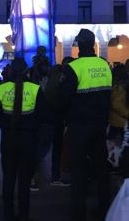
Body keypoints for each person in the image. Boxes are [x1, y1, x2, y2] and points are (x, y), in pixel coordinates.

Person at [61, 28, 112, 221]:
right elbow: (109, 93)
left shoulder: (73, 68)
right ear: (92, 44)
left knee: (79, 170)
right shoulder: (104, 65)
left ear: (78, 45)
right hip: (100, 125)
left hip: (79, 126)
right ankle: (105, 209)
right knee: (101, 168)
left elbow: (63, 98)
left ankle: (78, 213)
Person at [0, 57, 46, 221]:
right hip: (28, 139)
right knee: (24, 180)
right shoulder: (35, 88)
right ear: (26, 71)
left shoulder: (1, 88)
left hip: (8, 138)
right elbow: (42, 115)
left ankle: (8, 214)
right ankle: (24, 215)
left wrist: (5, 120)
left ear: (10, 70)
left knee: (8, 178)